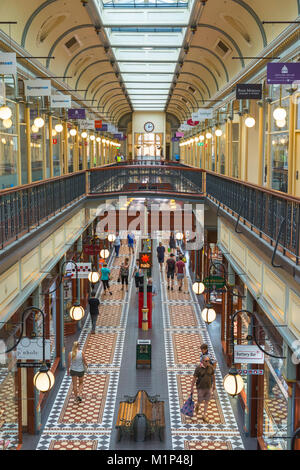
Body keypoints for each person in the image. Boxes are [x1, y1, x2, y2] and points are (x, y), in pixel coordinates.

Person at [190, 355, 216, 423]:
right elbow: (194, 378)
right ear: (202, 361)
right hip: (200, 388)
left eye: (208, 361)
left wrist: (214, 385)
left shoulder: (210, 367)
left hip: (209, 387)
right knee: (200, 400)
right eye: (206, 361)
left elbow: (213, 376)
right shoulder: (198, 368)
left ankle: (204, 415)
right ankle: (197, 405)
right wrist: (191, 388)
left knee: (207, 401)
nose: (208, 362)